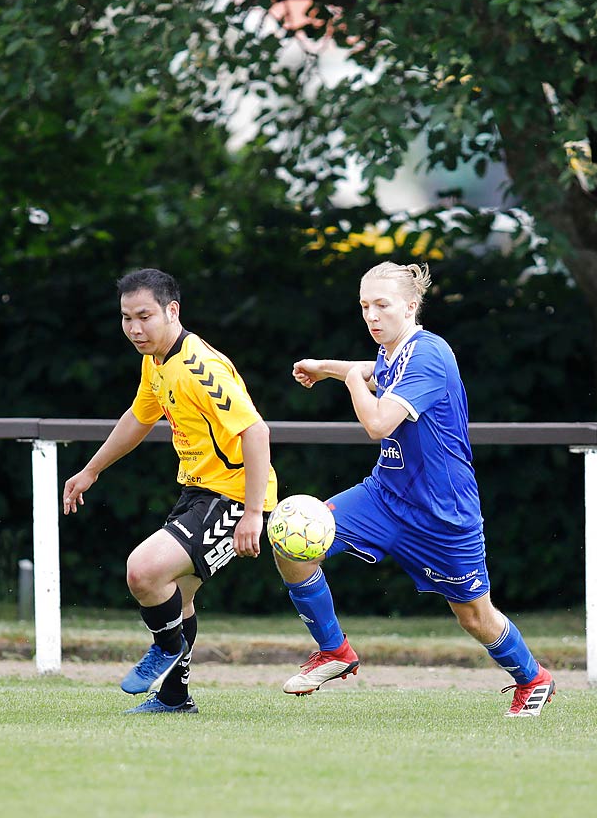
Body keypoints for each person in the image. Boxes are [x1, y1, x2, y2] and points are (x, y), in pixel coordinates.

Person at [275, 261, 556, 717]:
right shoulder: (395, 350)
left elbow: (377, 422)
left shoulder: (429, 354)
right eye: (365, 305)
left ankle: (533, 678)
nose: (371, 315)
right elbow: (374, 369)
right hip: (383, 497)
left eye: (382, 305)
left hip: (442, 515)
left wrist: (345, 380)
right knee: (292, 540)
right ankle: (335, 651)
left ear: (410, 306)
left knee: (474, 617)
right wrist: (326, 367)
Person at [62, 268, 276, 714]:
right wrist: (91, 470)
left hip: (235, 496)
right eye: (126, 318)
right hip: (200, 492)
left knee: (143, 572)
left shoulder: (200, 367)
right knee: (180, 594)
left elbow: (256, 432)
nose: (135, 329)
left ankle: (166, 647)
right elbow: (139, 418)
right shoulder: (156, 361)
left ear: (171, 310)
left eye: (144, 316)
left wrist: (253, 513)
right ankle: (176, 697)